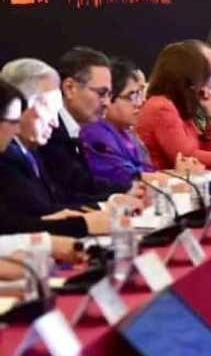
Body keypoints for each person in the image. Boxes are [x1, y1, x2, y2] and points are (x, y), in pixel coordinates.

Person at [0, 62, 109, 236]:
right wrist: (83, 224)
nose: (55, 123)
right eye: (49, 110)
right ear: (21, 105)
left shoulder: (31, 150)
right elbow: (16, 224)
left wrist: (105, 206)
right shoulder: (7, 155)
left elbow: (54, 205)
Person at [38, 46, 132, 198]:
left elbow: (83, 183)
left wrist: (129, 190)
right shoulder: (49, 133)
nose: (107, 102)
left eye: (109, 94)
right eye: (101, 93)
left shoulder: (73, 129)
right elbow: (67, 193)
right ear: (69, 88)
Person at [136, 40, 211, 170]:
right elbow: (187, 157)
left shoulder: (181, 106)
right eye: (210, 74)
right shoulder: (161, 107)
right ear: (190, 76)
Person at [79, 58, 158, 188]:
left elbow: (146, 171)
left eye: (139, 94)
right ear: (109, 97)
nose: (139, 103)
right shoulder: (94, 131)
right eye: (131, 96)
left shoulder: (127, 132)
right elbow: (123, 176)